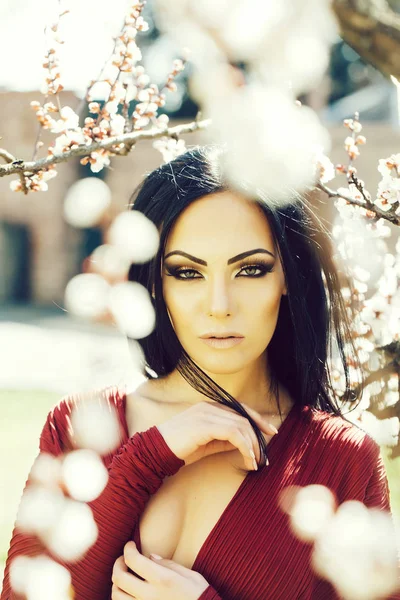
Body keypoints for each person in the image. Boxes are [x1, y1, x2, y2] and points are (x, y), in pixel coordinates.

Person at [1, 145, 399, 600]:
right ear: (155, 281)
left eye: (250, 270)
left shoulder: (341, 459)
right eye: (187, 272)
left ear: (287, 276)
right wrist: (146, 459)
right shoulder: (79, 427)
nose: (219, 306)